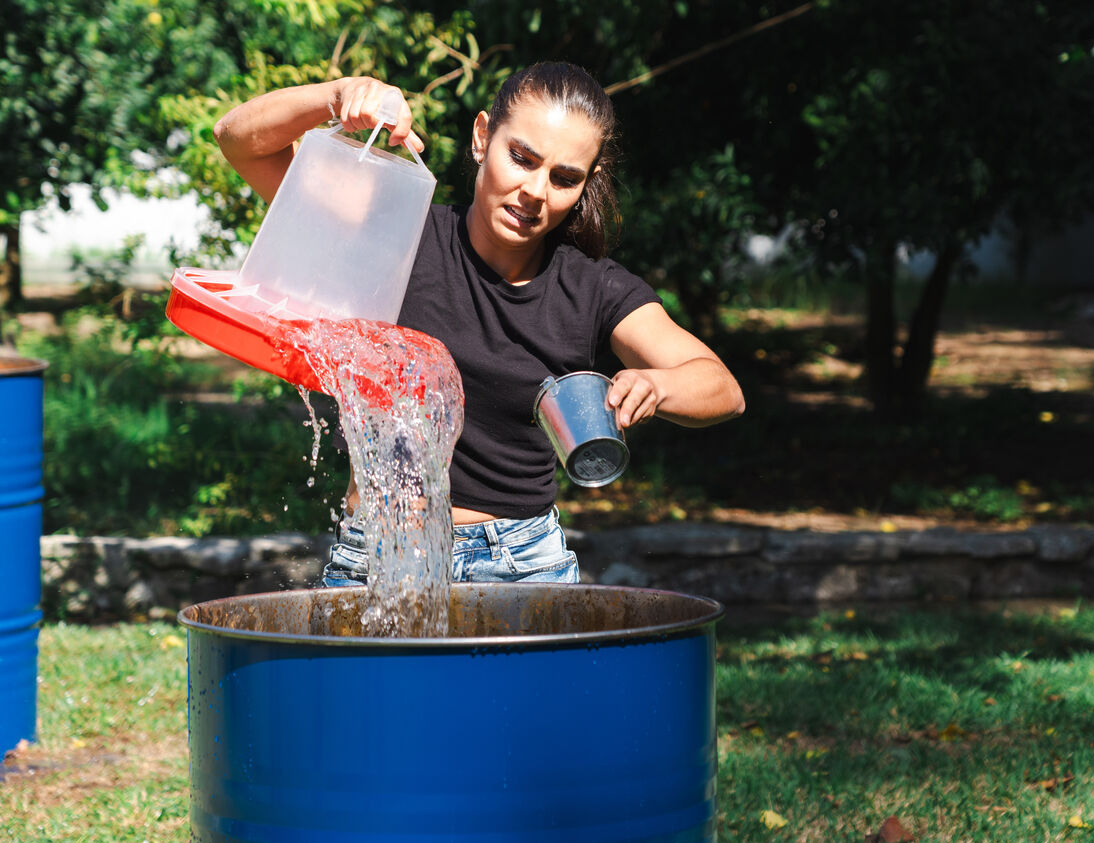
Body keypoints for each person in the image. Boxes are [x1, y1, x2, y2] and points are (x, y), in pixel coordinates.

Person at [214, 61, 745, 584]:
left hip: (520, 562)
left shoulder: (592, 288)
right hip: (379, 553)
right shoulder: (394, 231)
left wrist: (655, 384)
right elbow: (239, 140)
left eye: (564, 178)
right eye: (521, 158)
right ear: (482, 137)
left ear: (587, 184)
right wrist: (338, 95)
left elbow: (721, 387)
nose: (536, 191)